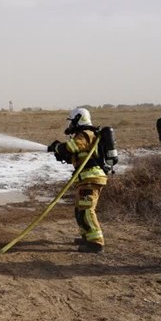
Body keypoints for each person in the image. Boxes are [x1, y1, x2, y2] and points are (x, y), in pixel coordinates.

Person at [47, 108, 108, 253]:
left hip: (90, 178)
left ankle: (95, 243)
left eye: (72, 121)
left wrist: (58, 147)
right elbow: (76, 153)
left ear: (78, 119)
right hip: (87, 178)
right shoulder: (86, 134)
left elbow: (72, 147)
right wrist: (64, 155)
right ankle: (87, 236)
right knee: (80, 209)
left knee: (86, 209)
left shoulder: (85, 134)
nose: (70, 124)